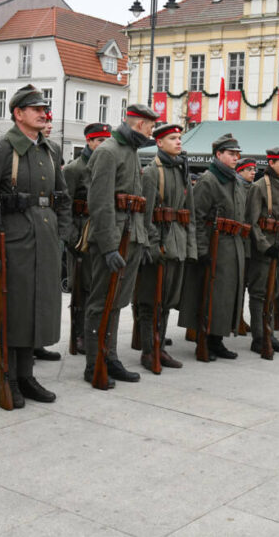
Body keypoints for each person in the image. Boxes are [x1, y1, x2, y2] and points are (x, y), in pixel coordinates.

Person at [0, 85, 71, 407]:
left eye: (45, 109)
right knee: (11, 313)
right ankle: (9, 378)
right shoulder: (0, 150)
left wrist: (61, 235)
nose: (43, 113)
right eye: (36, 109)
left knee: (35, 311)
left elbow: (62, 198)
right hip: (11, 244)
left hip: (45, 242)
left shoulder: (51, 151)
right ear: (18, 114)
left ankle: (27, 376)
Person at [83, 103, 158, 386]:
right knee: (100, 303)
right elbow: (100, 203)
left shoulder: (130, 151)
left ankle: (109, 356)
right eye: (150, 126)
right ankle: (94, 363)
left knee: (116, 303)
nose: (152, 131)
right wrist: (108, 246)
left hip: (131, 237)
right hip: (113, 240)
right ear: (139, 124)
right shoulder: (108, 152)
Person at [178, 134, 248, 359]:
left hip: (231, 244)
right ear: (218, 155)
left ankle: (217, 338)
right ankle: (205, 338)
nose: (235, 158)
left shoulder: (235, 180)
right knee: (210, 295)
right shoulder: (209, 180)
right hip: (214, 244)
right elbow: (196, 218)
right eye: (231, 154)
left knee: (227, 296)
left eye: (237, 154)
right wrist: (201, 250)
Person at [135, 123, 196, 371]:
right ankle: (149, 351)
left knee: (168, 300)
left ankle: (160, 348)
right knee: (151, 301)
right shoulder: (152, 172)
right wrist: (152, 246)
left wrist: (190, 248)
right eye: (172, 138)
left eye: (179, 138)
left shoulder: (181, 170)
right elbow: (144, 214)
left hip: (177, 244)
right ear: (159, 143)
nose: (178, 142)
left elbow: (188, 212)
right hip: (159, 245)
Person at [62, 122, 111, 355]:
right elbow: (64, 206)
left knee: (98, 286)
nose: (104, 144)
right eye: (100, 140)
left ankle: (94, 333)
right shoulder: (74, 169)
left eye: (106, 140)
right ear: (89, 141)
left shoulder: (107, 164)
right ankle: (78, 335)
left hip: (99, 231)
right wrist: (72, 238)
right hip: (81, 234)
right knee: (81, 289)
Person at [244, 148, 279, 355]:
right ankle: (259, 337)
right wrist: (265, 246)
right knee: (259, 294)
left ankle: (269, 333)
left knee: (273, 293)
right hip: (264, 252)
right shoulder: (258, 187)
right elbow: (252, 222)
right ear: (271, 163)